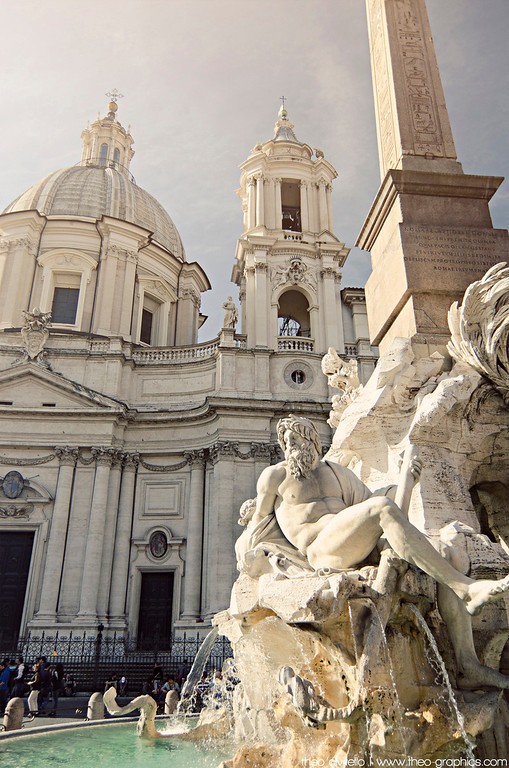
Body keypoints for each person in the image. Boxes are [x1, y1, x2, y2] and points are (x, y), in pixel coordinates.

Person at [249, 415, 509, 688]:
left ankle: (467, 664)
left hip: (357, 544)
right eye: (286, 442)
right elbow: (257, 529)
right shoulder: (275, 476)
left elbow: (395, 520)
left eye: (295, 439)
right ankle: (466, 589)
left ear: (313, 440)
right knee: (382, 506)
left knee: (448, 552)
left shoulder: (338, 474)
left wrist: (407, 481)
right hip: (320, 550)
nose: (290, 447)